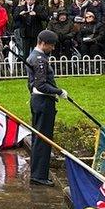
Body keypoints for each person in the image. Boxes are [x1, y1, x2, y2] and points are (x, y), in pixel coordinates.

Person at [27, 30, 66, 187]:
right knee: (43, 140)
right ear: (43, 43)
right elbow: (41, 85)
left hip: (38, 101)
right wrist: (59, 91)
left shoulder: (34, 56)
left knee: (39, 138)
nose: (53, 48)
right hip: (43, 102)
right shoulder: (40, 59)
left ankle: (38, 173)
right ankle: (39, 175)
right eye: (51, 45)